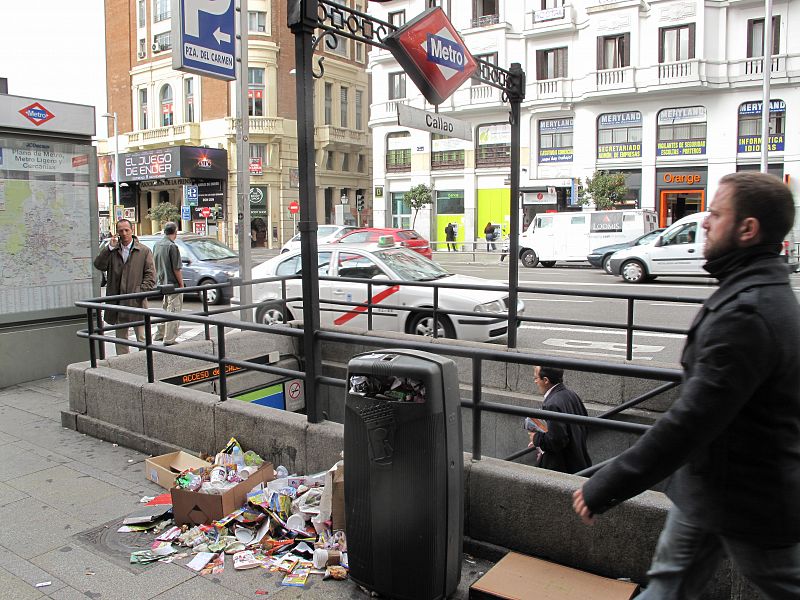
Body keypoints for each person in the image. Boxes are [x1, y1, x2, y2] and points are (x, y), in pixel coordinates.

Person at [572, 172, 800, 599]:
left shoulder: (747, 312)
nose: (706, 221)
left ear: (748, 229)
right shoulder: (755, 291)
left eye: (716, 213)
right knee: (669, 586)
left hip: (749, 496)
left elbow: (691, 419)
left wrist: (609, 481)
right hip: (712, 487)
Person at [93, 219, 156, 355]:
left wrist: (138, 292)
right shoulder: (113, 251)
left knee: (142, 338)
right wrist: (109, 248)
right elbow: (99, 265)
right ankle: (123, 366)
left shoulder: (144, 251)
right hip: (118, 302)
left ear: (132, 230)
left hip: (137, 302)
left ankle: (145, 364)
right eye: (121, 231)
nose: (124, 233)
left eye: (127, 230)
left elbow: (151, 277)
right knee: (121, 339)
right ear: (117, 233)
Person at [526, 366, 591, 474]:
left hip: (563, 468)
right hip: (580, 461)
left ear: (546, 380)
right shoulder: (572, 395)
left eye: (536, 378)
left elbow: (556, 441)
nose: (535, 381)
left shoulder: (552, 404)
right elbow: (585, 426)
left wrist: (536, 438)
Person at [152, 222, 184, 346]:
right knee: (174, 310)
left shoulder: (157, 244)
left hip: (162, 282)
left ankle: (159, 334)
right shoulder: (172, 246)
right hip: (172, 283)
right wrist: (181, 285)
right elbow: (177, 268)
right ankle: (169, 338)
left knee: (165, 308)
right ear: (175, 232)